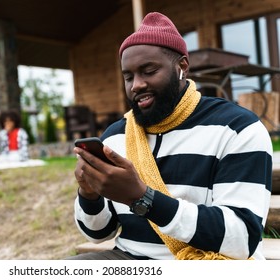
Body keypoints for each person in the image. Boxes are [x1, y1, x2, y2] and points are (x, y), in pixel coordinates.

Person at [70, 12, 272, 260]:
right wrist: (88, 194)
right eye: (128, 76)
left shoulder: (236, 128)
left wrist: (142, 197)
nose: (136, 85)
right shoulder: (114, 137)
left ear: (182, 67)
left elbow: (242, 238)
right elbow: (98, 233)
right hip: (127, 258)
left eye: (149, 70)